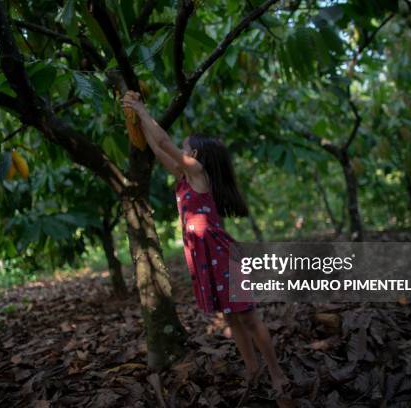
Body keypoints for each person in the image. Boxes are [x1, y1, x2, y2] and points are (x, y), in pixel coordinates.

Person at [121, 91, 290, 395]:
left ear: (195, 156)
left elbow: (163, 143)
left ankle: (276, 374)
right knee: (230, 317)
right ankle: (253, 368)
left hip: (221, 255)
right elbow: (158, 149)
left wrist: (141, 109)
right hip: (203, 257)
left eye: (184, 147)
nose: (179, 149)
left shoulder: (198, 174)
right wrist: (136, 119)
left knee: (248, 316)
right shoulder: (183, 176)